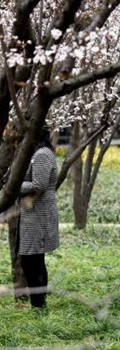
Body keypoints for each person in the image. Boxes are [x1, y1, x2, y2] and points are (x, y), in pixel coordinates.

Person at [18, 125, 60, 309]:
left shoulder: (42, 154)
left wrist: (14, 185)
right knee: (33, 260)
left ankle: (39, 305)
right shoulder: (40, 153)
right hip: (34, 213)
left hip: (38, 214)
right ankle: (39, 304)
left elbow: (39, 185)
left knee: (32, 260)